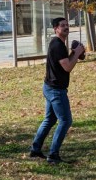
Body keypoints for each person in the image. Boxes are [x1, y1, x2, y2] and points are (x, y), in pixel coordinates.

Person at [29, 17, 85, 164]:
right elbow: (67, 67)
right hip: (56, 90)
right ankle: (53, 155)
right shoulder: (57, 45)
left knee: (50, 119)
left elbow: (65, 64)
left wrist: (74, 53)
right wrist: (77, 54)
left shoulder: (59, 43)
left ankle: (35, 149)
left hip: (50, 87)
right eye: (62, 26)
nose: (66, 27)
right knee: (65, 121)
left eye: (67, 25)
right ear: (56, 29)